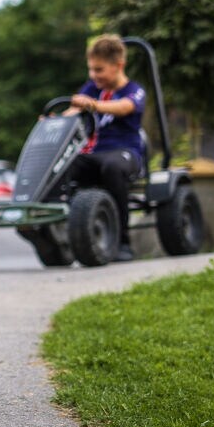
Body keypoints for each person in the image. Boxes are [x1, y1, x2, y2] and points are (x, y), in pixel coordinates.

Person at [65, 34, 147, 262]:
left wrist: (91, 104)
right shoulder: (93, 87)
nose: (93, 75)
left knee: (112, 167)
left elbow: (123, 107)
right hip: (92, 154)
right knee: (64, 165)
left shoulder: (134, 90)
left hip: (125, 153)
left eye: (99, 70)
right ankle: (53, 234)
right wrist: (54, 121)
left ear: (118, 65)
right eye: (91, 69)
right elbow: (74, 110)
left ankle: (122, 241)